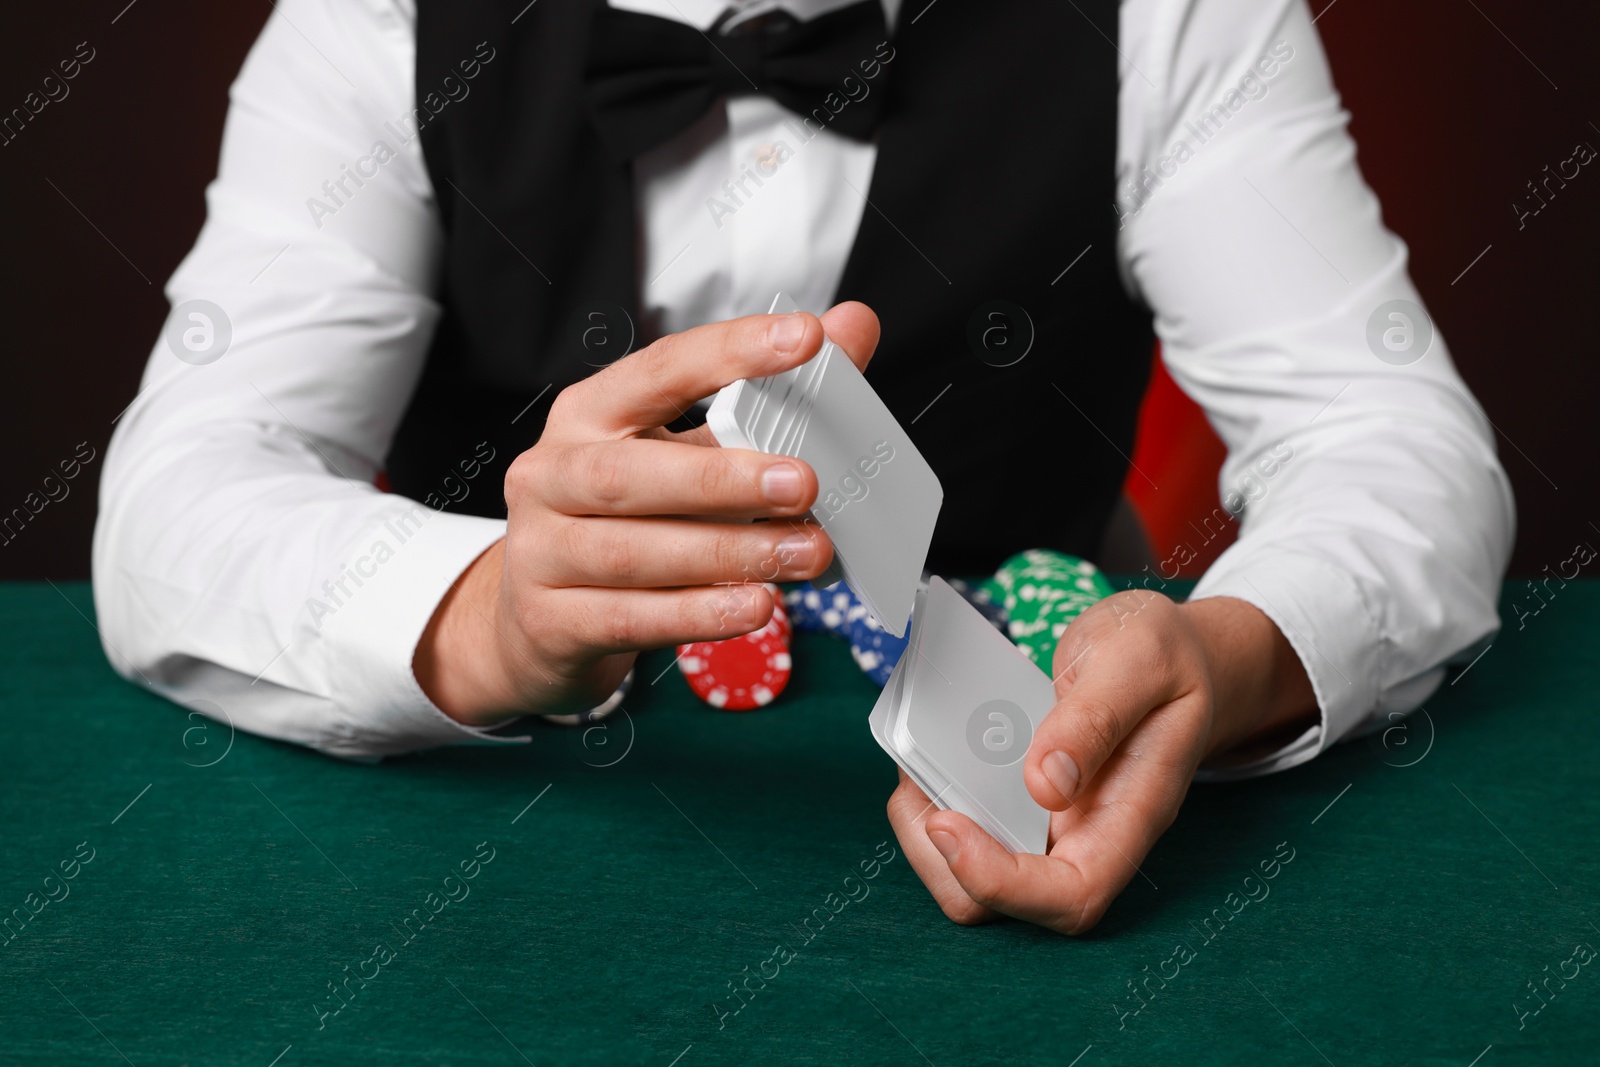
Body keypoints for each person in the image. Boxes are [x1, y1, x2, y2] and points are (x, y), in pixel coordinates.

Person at [92, 0, 1513, 935]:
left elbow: (1385, 438)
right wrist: (491, 614)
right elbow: (181, 494)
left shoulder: (1174, 17)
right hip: (509, 854)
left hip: (1029, 787)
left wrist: (1233, 656)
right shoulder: (377, 22)